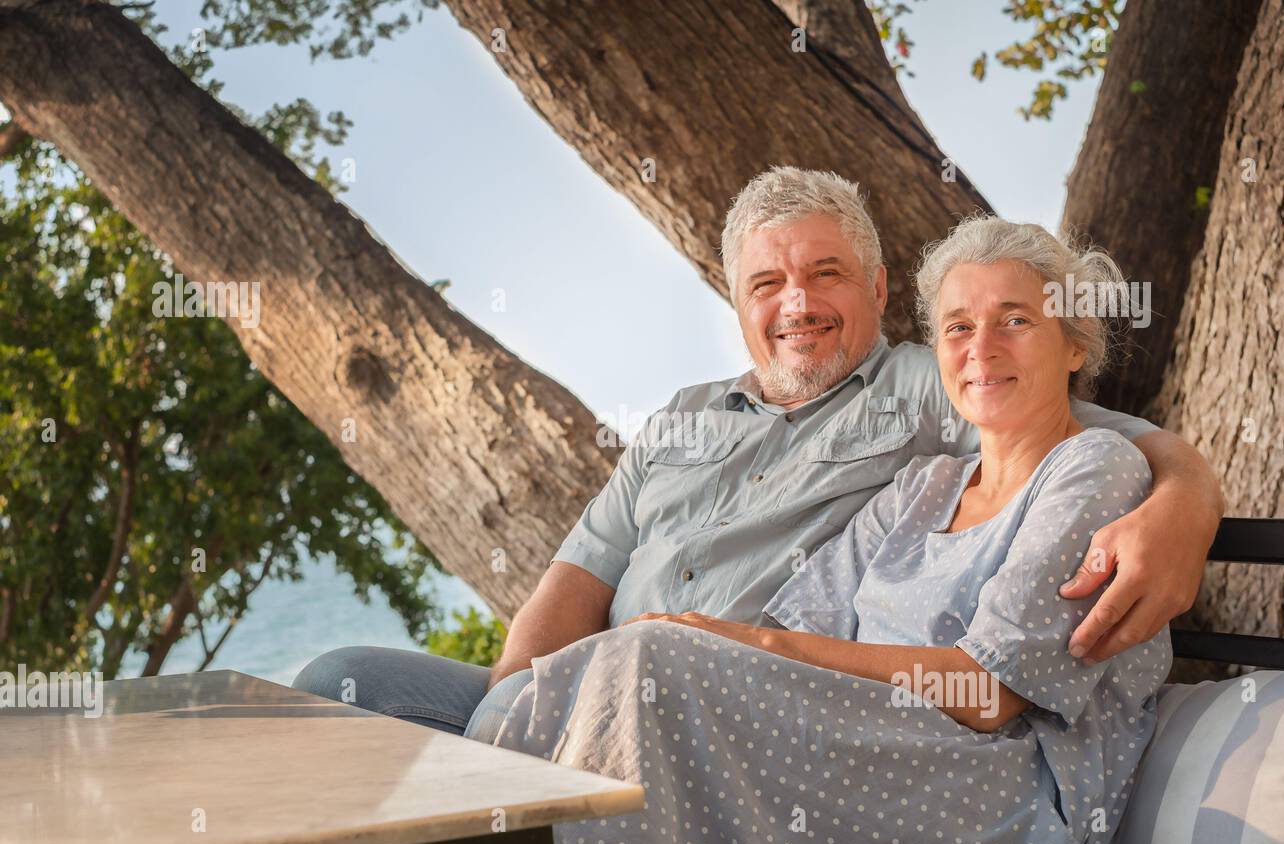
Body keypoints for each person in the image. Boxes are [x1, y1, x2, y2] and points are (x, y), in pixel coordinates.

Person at [293, 167, 1220, 753]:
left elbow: (1087, 431)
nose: (798, 304)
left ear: (879, 288)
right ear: (735, 300)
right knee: (339, 688)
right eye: (767, 282)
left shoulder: (926, 383)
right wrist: (510, 710)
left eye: (827, 274)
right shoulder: (680, 422)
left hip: (727, 711)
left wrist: (1184, 502)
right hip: (579, 701)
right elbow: (577, 576)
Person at [491, 215, 1172, 844]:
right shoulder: (925, 487)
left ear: (1075, 342)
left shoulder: (1095, 466)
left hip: (994, 793)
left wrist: (731, 641)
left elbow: (990, 693)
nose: (981, 349)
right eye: (958, 327)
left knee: (652, 661)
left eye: (1015, 321)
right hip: (860, 753)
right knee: (604, 676)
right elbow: (797, 628)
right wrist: (721, 644)